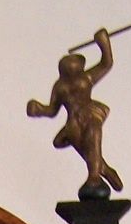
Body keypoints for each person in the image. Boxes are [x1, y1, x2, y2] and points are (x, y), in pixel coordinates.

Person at [27, 32, 123, 196]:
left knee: (93, 134)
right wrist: (39, 109)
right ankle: (104, 169)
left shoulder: (86, 77)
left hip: (90, 113)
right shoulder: (59, 86)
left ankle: (94, 177)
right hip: (73, 121)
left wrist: (104, 44)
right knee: (79, 146)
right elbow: (53, 110)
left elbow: (106, 63)